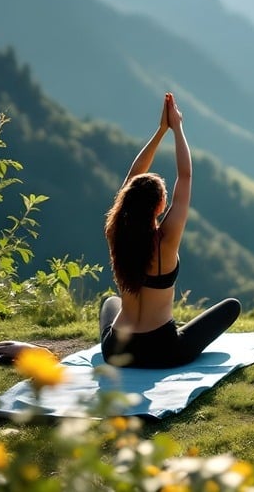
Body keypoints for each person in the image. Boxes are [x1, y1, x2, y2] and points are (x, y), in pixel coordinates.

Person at [99, 93, 240, 368]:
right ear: (160, 205)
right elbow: (185, 176)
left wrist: (160, 131)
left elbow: (133, 177)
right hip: (161, 350)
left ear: (127, 200)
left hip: (116, 350)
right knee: (231, 306)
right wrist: (177, 128)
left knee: (110, 302)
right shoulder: (165, 242)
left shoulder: (116, 232)